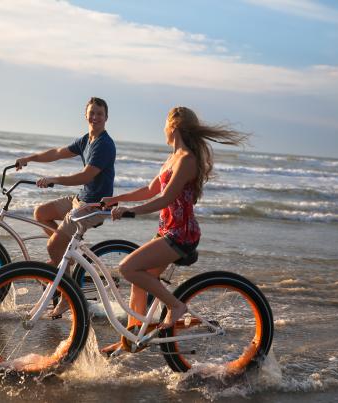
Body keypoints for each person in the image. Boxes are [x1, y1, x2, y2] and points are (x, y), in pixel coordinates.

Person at [101, 106, 248, 351]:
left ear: (174, 126)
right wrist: (118, 199)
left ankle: (177, 306)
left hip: (181, 235)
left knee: (127, 268)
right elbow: (150, 190)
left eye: (165, 124)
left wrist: (131, 212)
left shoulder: (187, 160)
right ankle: (131, 339)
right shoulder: (172, 158)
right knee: (139, 280)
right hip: (167, 230)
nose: (163, 129)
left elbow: (166, 198)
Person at [15, 97, 116, 317]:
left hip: (93, 206)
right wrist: (29, 158)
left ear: (106, 117)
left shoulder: (104, 144)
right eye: (92, 113)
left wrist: (54, 179)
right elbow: (58, 152)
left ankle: (67, 297)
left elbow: (86, 175)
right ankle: (66, 253)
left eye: (99, 113)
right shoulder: (86, 140)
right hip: (80, 199)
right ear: (86, 115)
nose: (95, 117)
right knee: (41, 213)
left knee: (53, 247)